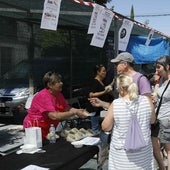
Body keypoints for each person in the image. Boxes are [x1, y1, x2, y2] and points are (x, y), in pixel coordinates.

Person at [101, 74, 155, 169]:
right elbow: (152, 120)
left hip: (122, 157)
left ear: (121, 88)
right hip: (143, 156)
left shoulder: (116, 104)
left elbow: (106, 127)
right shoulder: (147, 100)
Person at [23, 71, 88, 139]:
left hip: (49, 129)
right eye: (58, 81)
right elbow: (54, 116)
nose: (61, 83)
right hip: (34, 129)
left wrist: (78, 111)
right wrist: (74, 112)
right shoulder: (43, 96)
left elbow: (66, 108)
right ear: (50, 85)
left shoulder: (58, 94)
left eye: (61, 81)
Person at [152, 55, 170, 170]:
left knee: (168, 150)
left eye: (159, 67)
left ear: (167, 67)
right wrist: (157, 83)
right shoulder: (161, 80)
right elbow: (155, 96)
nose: (156, 70)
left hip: (166, 119)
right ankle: (162, 168)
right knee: (155, 147)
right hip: (156, 118)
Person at [87, 64, 113, 134]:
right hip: (95, 110)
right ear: (98, 72)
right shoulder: (94, 82)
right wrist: (104, 92)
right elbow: (91, 95)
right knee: (95, 130)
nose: (105, 73)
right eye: (103, 71)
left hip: (101, 110)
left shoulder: (103, 82)